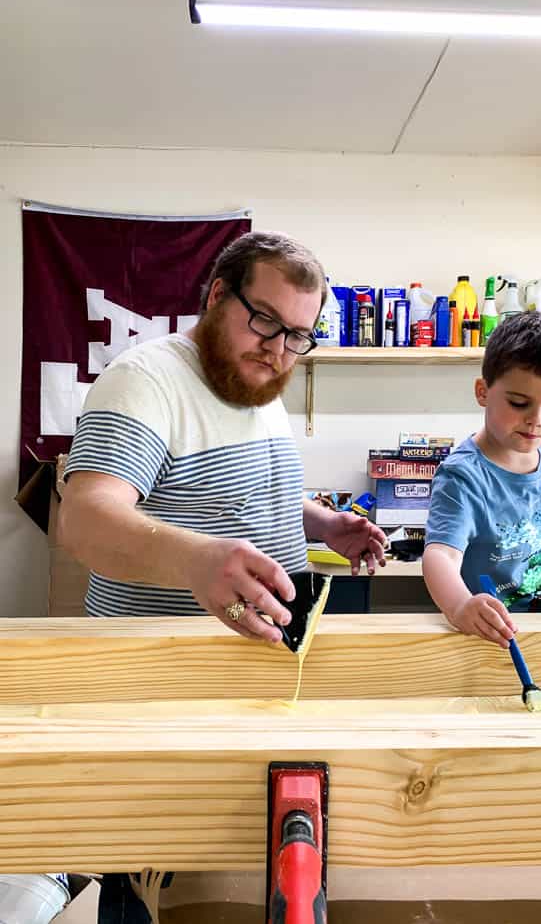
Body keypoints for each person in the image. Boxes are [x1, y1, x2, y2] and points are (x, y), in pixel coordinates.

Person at [57, 230, 387, 922]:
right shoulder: (145, 379)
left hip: (243, 672)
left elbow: (246, 493)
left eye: (298, 334)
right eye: (263, 319)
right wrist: (196, 559)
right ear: (214, 297)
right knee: (140, 868)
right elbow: (85, 519)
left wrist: (323, 525)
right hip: (155, 679)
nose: (277, 347)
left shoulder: (255, 377)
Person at [423, 312, 541, 650]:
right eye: (519, 403)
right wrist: (459, 607)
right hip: (495, 640)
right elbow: (439, 556)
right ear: (483, 392)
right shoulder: (463, 476)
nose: (536, 420)